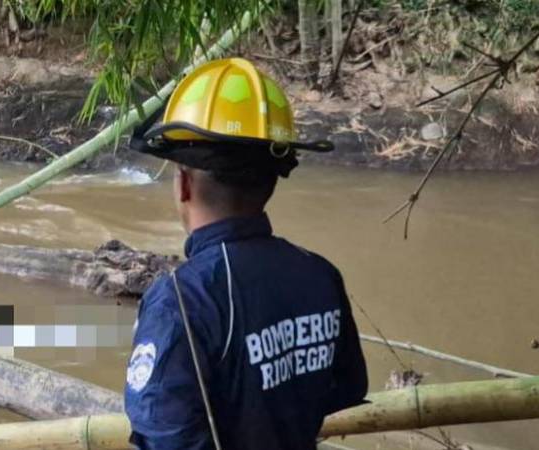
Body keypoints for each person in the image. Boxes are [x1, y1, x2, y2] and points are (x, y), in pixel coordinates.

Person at [123, 58, 369, 450]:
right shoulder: (320, 274)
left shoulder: (183, 300)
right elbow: (347, 387)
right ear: (272, 181)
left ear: (184, 184)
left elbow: (163, 434)